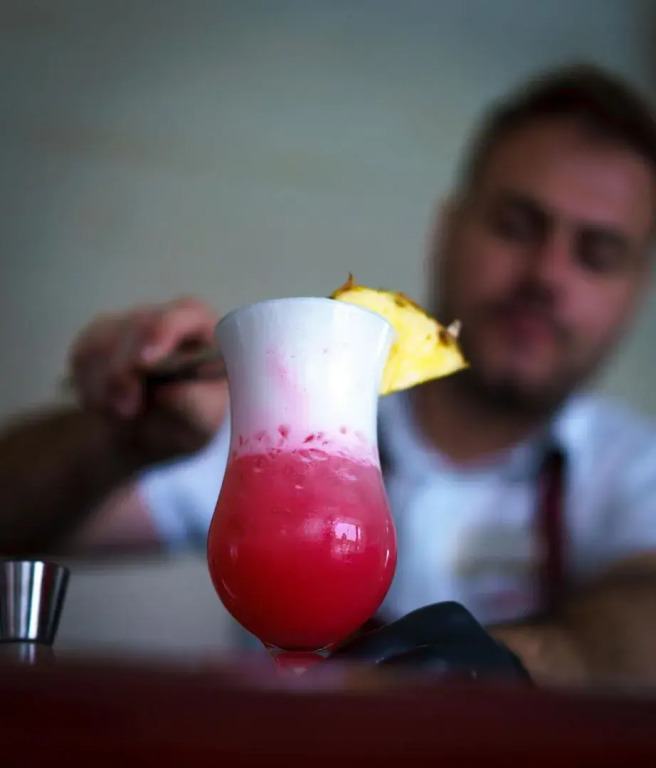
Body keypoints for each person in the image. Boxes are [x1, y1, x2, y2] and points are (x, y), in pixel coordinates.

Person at [2, 62, 656, 689]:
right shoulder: (286, 418)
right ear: (448, 230)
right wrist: (118, 438)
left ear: (637, 289)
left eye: (597, 254)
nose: (547, 275)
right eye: (515, 226)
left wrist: (520, 662)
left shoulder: (633, 470)